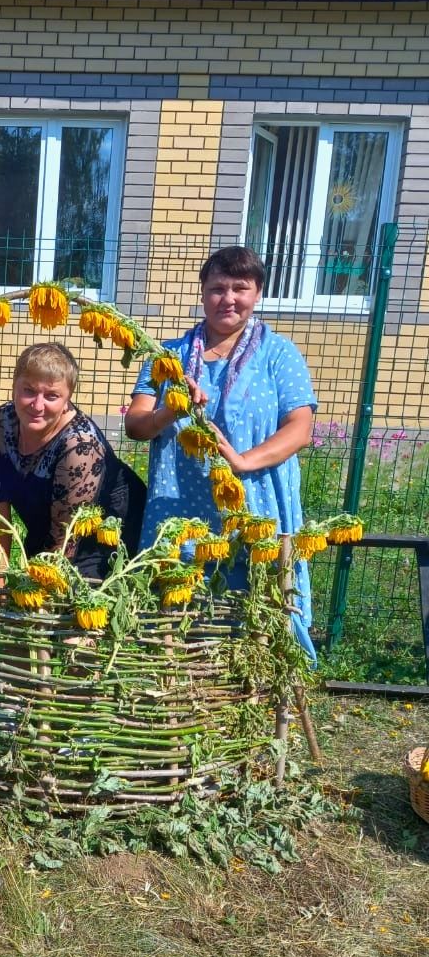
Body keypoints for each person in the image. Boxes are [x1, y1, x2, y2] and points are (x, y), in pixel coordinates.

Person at [124, 244, 317, 655]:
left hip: (255, 499)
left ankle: (255, 697)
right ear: (202, 293)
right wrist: (168, 410)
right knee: (175, 613)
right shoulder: (169, 358)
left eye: (240, 288)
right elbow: (135, 425)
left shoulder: (279, 354)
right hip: (181, 502)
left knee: (259, 609)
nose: (227, 299)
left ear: (257, 293)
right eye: (217, 289)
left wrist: (244, 460)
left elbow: (300, 429)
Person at [0, 343, 146, 578]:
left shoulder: (80, 446)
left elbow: (63, 544)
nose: (37, 405)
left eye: (51, 396)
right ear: (14, 386)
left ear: (67, 399)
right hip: (47, 522)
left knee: (68, 595)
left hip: (104, 533)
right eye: (28, 391)